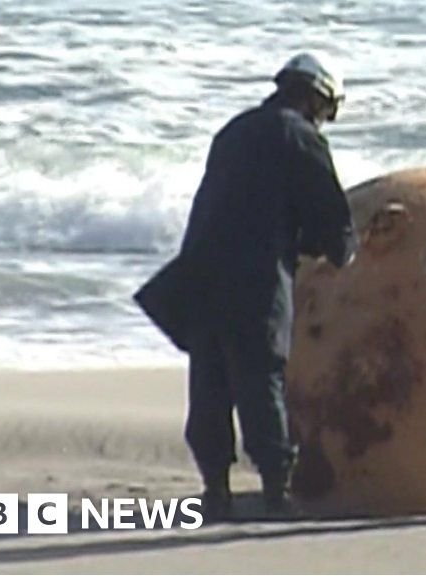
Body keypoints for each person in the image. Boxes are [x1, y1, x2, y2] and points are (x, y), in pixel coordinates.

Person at [135, 52, 358, 519]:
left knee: (210, 384)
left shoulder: (235, 130)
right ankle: (278, 491)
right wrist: (343, 252)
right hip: (255, 281)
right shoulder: (301, 138)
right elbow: (330, 216)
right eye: (329, 109)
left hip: (201, 275)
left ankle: (215, 491)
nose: (326, 119)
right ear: (316, 98)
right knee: (261, 383)